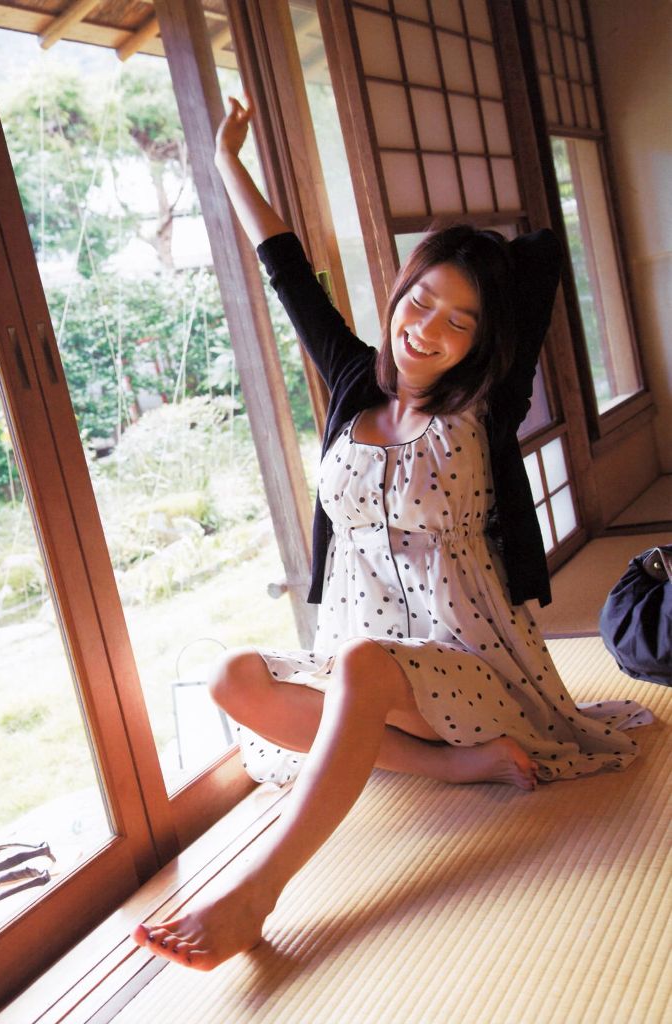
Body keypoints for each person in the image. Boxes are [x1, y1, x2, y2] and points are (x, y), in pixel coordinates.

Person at [132, 96, 652, 971]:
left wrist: (487, 256)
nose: (428, 330)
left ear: (483, 342)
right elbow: (287, 269)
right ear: (399, 293)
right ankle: (455, 767)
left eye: (460, 322)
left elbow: (542, 259)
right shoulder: (353, 381)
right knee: (233, 677)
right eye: (421, 301)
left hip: (473, 668)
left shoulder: (485, 404)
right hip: (378, 679)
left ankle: (259, 890)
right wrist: (227, 163)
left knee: (365, 667)